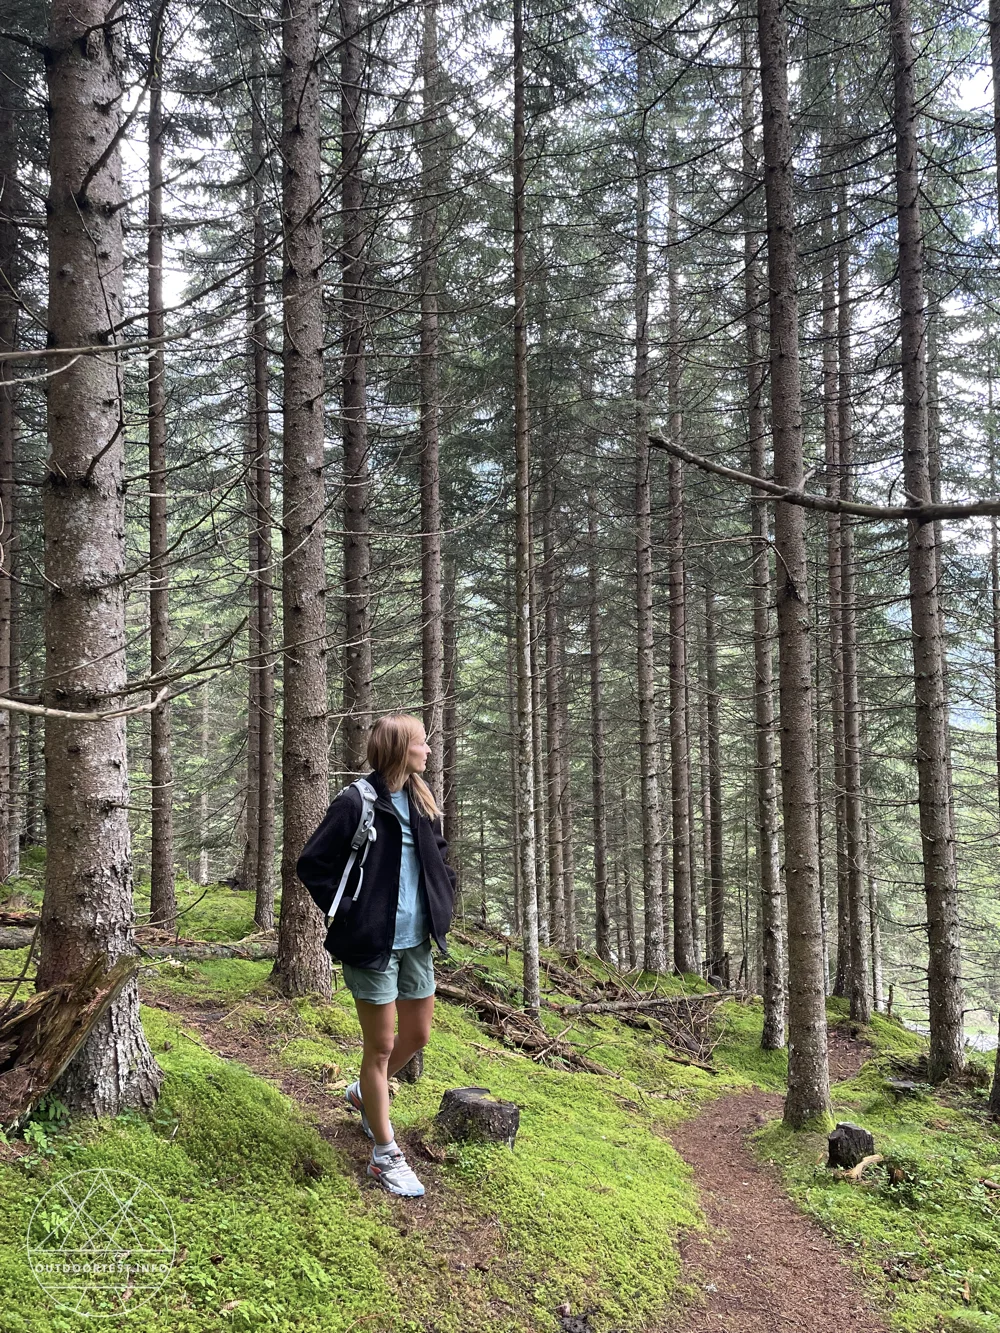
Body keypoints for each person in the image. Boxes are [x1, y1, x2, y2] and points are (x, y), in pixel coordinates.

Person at [296, 713, 457, 1198]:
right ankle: (385, 1156)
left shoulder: (421, 798)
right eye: (421, 744)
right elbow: (312, 863)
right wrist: (350, 909)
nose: (428, 751)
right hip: (371, 945)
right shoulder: (356, 802)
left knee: (419, 1034)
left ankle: (365, 1094)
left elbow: (441, 855)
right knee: (382, 1047)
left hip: (416, 942)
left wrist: (443, 897)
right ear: (398, 749)